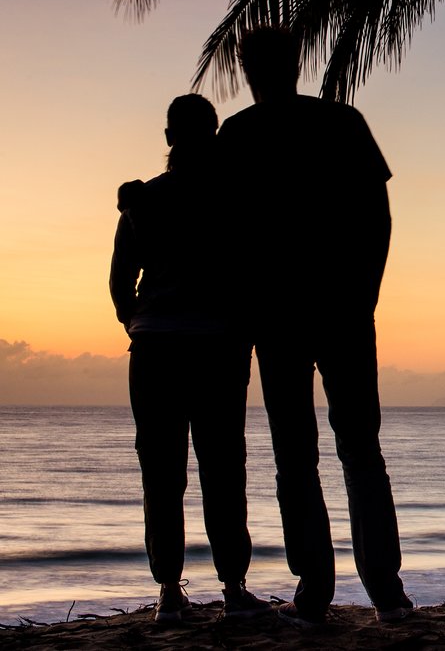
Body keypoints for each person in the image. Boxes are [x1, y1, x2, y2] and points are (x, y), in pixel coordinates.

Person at [217, 27, 411, 626]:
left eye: (254, 61)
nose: (253, 71)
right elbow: (377, 219)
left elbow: (377, 216)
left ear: (269, 66)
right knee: (338, 451)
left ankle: (341, 590)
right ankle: (362, 591)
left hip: (304, 314)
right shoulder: (322, 124)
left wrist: (363, 297)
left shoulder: (260, 131)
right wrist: (363, 296)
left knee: (315, 453)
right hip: (310, 314)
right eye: (251, 61)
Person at [109, 94, 272, 622]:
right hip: (218, 347)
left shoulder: (142, 200)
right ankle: (233, 587)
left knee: (161, 471)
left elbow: (118, 281)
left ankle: (170, 593)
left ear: (168, 139)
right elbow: (254, 273)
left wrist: (136, 319)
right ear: (215, 133)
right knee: (224, 468)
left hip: (155, 346)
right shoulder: (237, 198)